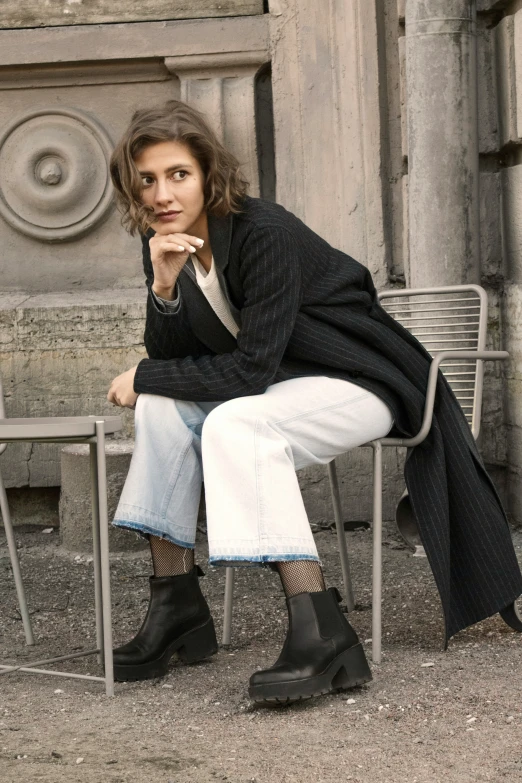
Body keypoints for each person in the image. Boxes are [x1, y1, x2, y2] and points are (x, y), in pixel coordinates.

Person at [107, 100, 522, 705]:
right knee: (159, 408)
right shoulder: (168, 241)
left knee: (235, 423)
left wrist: (145, 373)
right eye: (147, 179)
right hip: (288, 383)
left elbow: (247, 372)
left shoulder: (262, 232)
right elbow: (175, 361)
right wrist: (165, 286)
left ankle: (321, 629)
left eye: (178, 174)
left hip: (363, 379)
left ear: (207, 173)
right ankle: (177, 607)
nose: (163, 193)